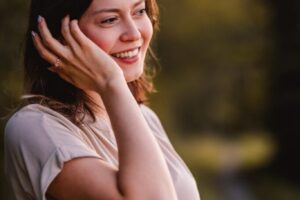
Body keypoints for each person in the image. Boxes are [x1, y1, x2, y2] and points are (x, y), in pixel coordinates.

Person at [4, 0, 201, 199]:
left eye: (139, 11)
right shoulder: (35, 127)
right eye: (110, 20)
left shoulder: (144, 117)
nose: (134, 34)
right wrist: (111, 82)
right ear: (60, 35)